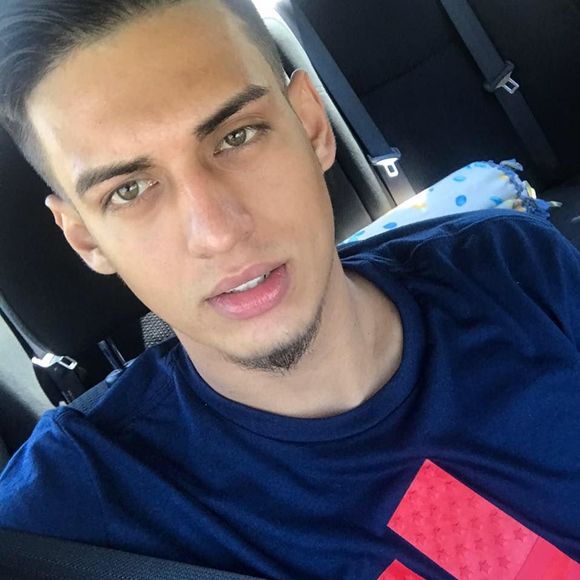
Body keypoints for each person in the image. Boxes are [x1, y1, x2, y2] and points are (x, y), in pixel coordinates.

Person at [0, 0, 578, 578]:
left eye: (237, 136)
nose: (219, 233)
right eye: (128, 190)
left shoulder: (513, 269)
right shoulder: (60, 519)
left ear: (312, 125)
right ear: (85, 238)